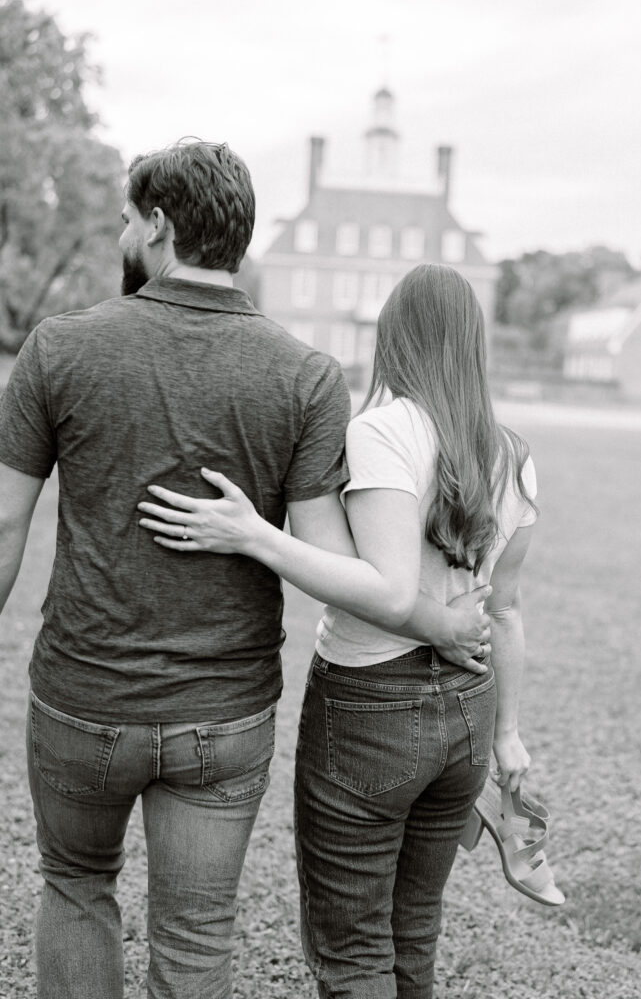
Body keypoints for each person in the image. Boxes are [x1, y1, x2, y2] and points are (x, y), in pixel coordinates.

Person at [0, 144, 489, 999]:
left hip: (85, 697)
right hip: (222, 719)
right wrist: (440, 623)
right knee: (195, 935)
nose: (124, 231)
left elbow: (6, 519)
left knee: (77, 888)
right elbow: (337, 564)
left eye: (126, 217)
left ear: (158, 225)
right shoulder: (304, 375)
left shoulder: (58, 348)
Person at [137, 262, 539, 999]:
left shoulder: (384, 433)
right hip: (469, 715)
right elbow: (505, 610)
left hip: (373, 706)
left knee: (352, 946)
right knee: (412, 930)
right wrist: (507, 731)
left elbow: (382, 591)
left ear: (394, 339)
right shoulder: (512, 455)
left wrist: (253, 533)